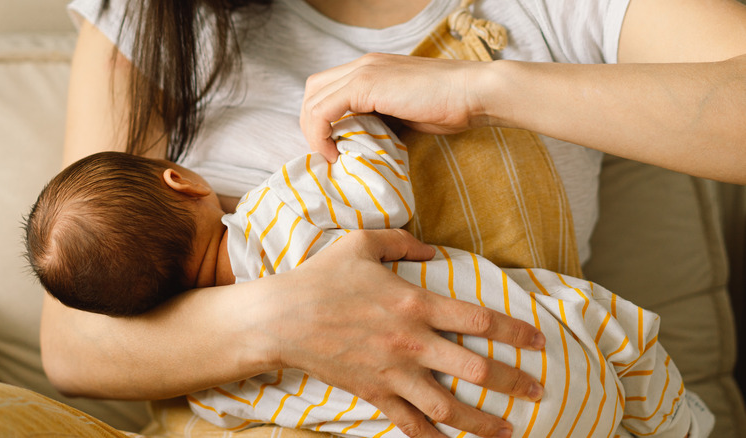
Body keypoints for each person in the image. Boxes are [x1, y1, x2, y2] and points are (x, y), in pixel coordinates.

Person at [46, 0, 746, 437]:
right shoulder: (153, 17)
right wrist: (286, 322)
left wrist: (485, 85)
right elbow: (76, 342)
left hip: (518, 390)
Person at [27, 113, 712, 437]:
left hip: (477, 427)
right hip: (557, 346)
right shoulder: (279, 210)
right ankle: (681, 426)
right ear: (181, 181)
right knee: (610, 325)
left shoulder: (213, 390)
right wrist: (356, 124)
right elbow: (382, 196)